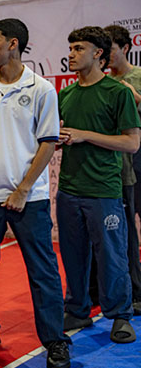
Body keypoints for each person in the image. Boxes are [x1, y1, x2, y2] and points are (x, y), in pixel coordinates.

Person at [0, 18, 71, 368]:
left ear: (13, 44)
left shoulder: (41, 89)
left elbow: (48, 142)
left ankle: (55, 340)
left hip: (30, 199)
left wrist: (24, 188)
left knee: (43, 271)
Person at [57, 26, 139, 344]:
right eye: (71, 48)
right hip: (68, 189)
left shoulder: (117, 93)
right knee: (73, 255)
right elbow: (66, 136)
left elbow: (131, 143)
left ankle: (120, 315)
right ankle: (78, 309)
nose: (71, 54)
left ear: (98, 54)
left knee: (112, 257)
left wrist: (84, 135)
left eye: (79, 48)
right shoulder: (66, 95)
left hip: (104, 190)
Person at [105, 24, 141, 316]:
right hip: (119, 167)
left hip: (138, 160)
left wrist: (132, 96)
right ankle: (132, 289)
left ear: (126, 48)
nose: (106, 55)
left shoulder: (136, 77)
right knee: (124, 230)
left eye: (111, 49)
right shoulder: (104, 82)